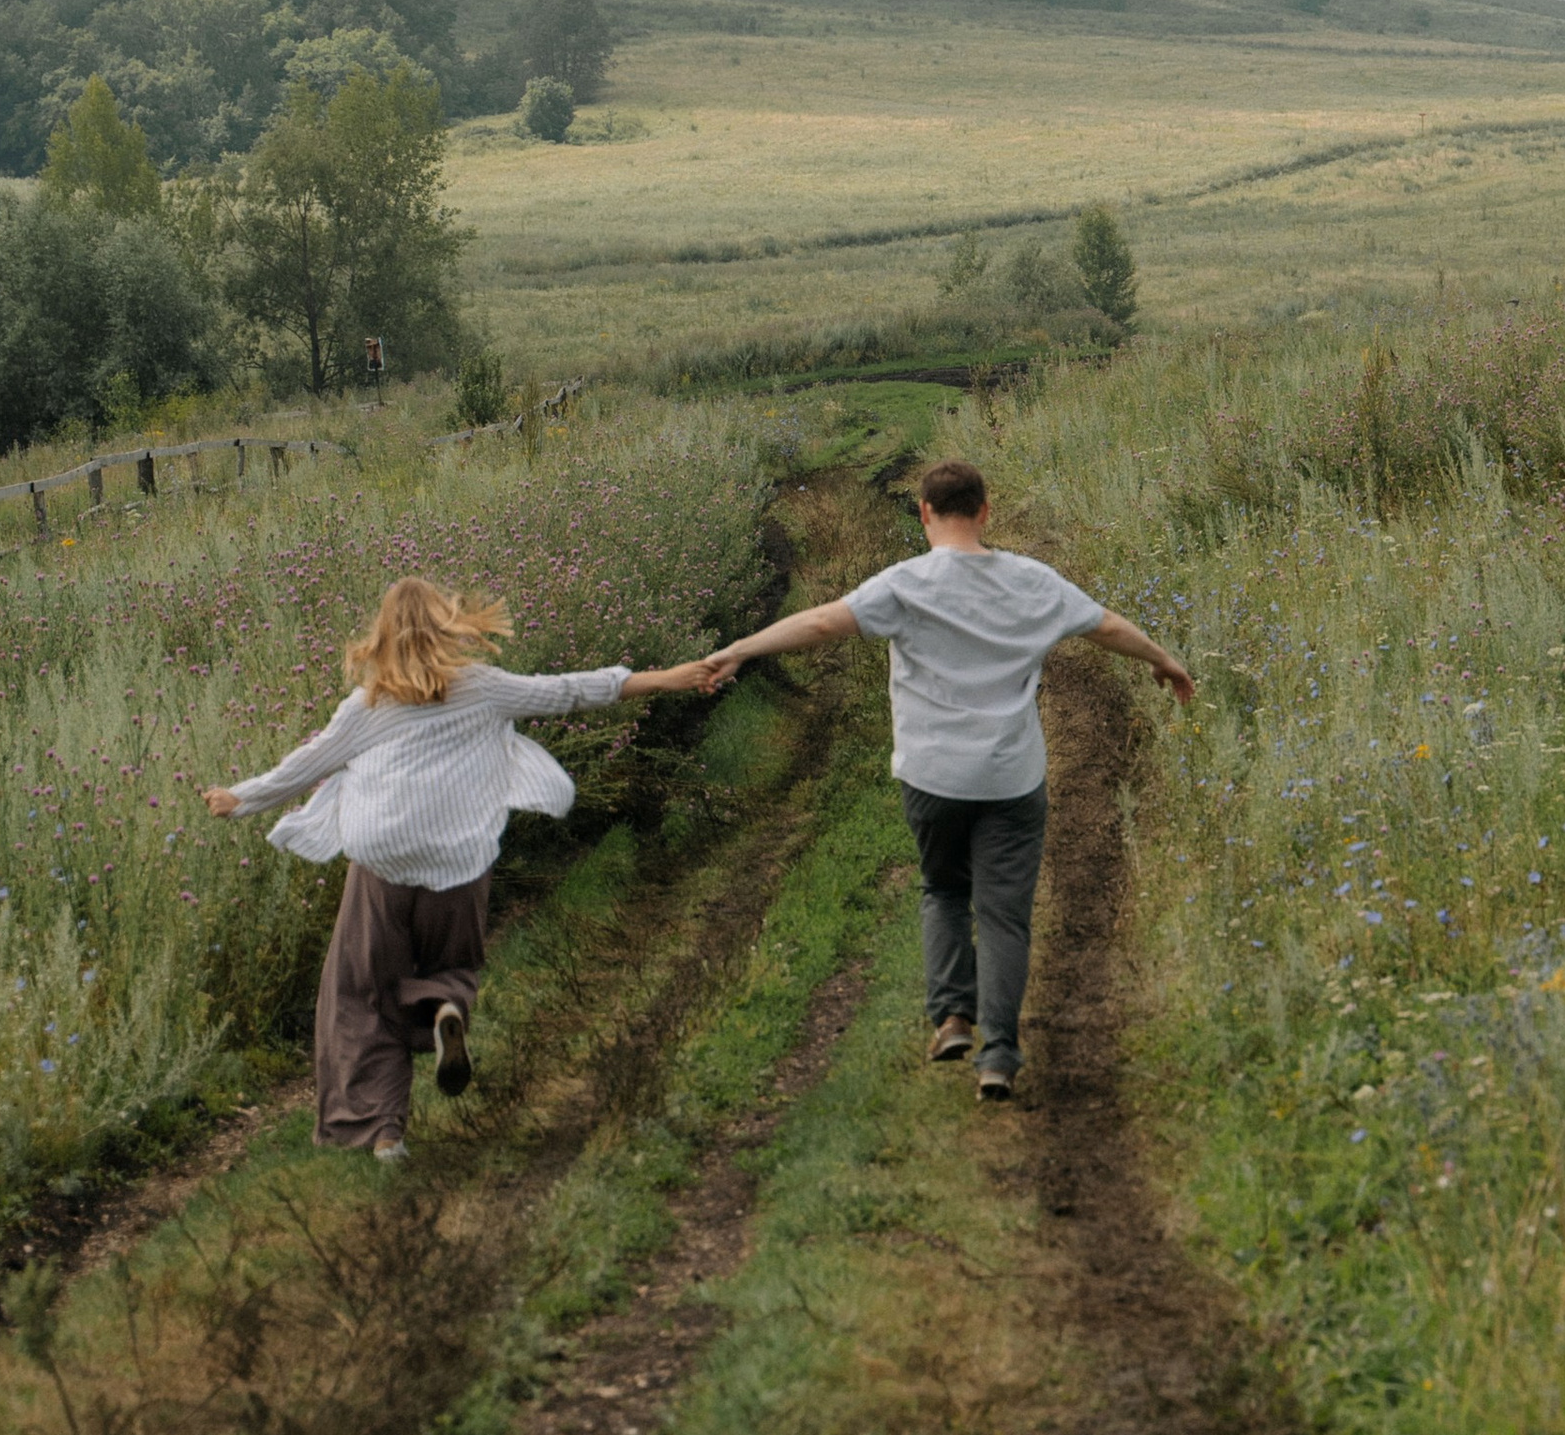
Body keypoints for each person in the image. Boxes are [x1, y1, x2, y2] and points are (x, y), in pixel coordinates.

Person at [700, 458, 1192, 1099]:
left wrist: (739, 649)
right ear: (985, 511)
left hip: (932, 776)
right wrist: (1163, 660)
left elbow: (822, 622)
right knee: (1006, 917)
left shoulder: (905, 585)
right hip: (1011, 778)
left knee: (941, 890)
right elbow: (1105, 626)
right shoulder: (1033, 581)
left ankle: (952, 1015)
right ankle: (998, 1055)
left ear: (925, 513)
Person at [205, 576, 715, 1157]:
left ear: (384, 636)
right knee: (451, 962)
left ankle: (380, 1133)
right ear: (449, 626)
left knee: (358, 992)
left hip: (384, 858)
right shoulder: (483, 688)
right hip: (459, 855)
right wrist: (673, 677)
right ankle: (444, 1006)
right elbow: (572, 690)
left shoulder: (367, 705)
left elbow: (305, 764)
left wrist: (240, 797)